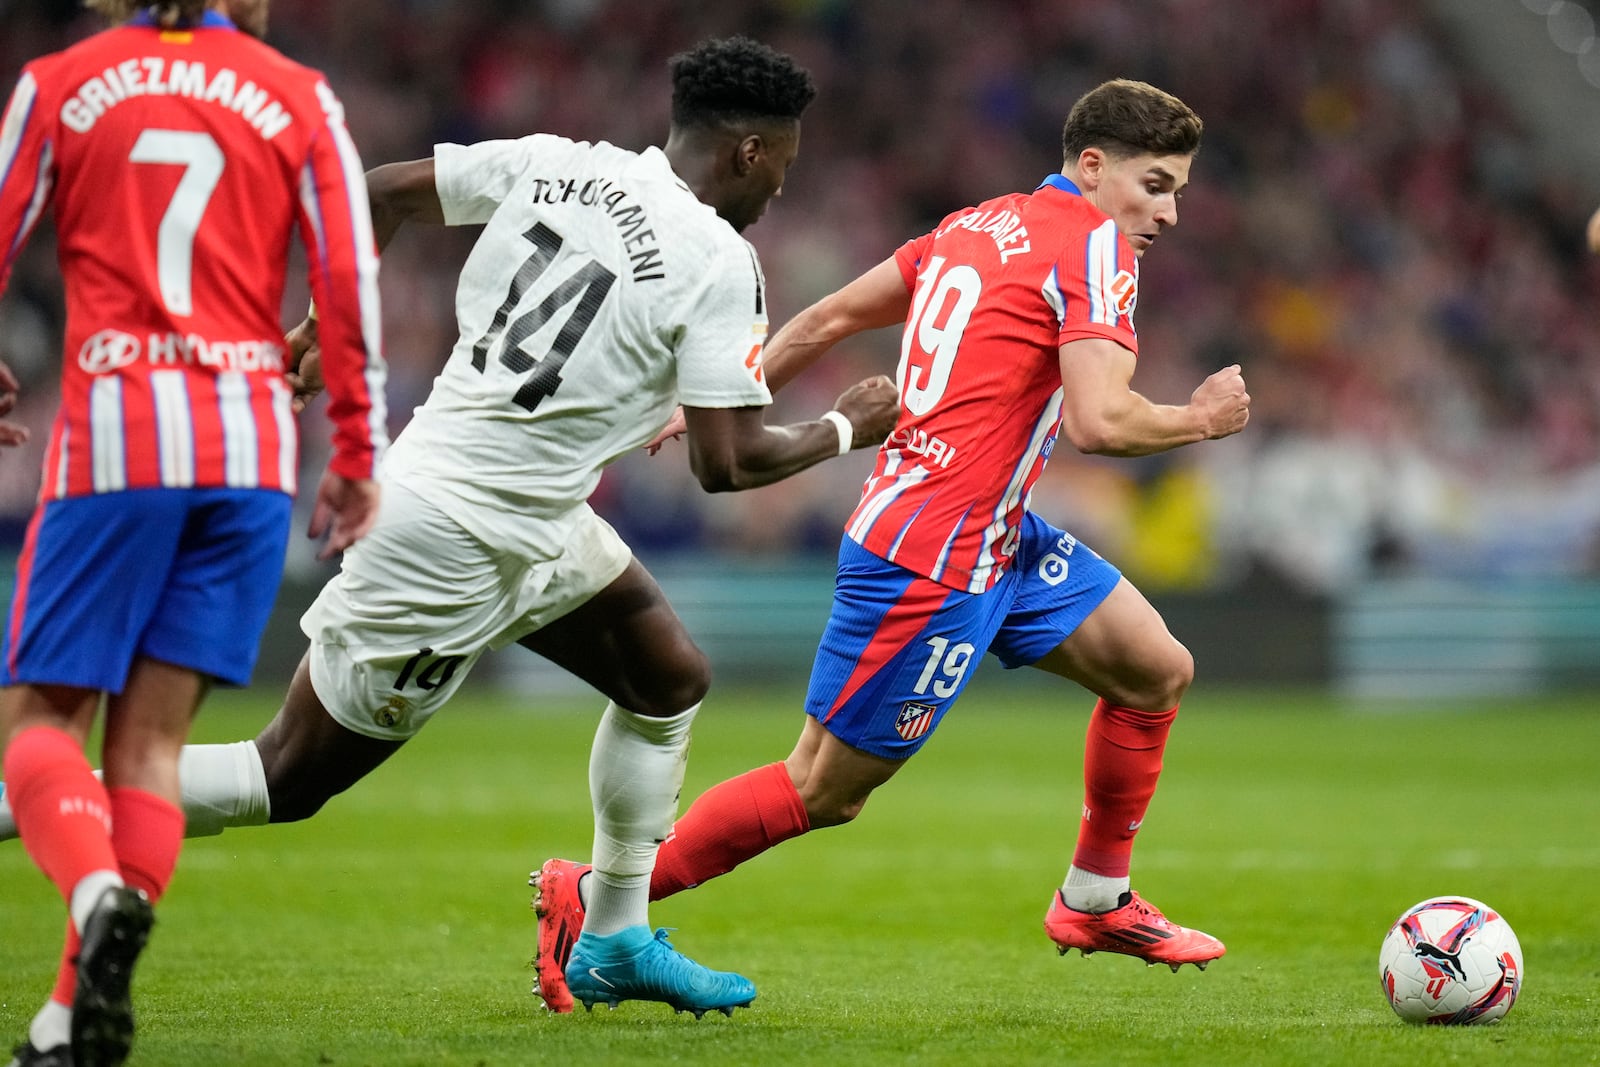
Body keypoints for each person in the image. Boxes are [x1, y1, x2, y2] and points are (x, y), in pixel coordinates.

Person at [0, 33, 900, 1020]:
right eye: (784, 164)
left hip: (528, 510)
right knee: (287, 772)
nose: (778, 190)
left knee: (665, 675)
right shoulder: (723, 262)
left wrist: (317, 327)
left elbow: (378, 190)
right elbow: (728, 465)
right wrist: (845, 424)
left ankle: (612, 934)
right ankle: (28, 802)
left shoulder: (562, 162)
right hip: (453, 537)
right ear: (748, 153)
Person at [522, 76, 1252, 1011]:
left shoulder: (977, 224)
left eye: (1180, 190)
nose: (1170, 212)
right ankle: (593, 895)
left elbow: (825, 319)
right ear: (1094, 166)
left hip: (994, 533)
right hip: (932, 555)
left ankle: (1096, 896)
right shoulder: (1096, 249)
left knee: (1157, 670)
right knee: (823, 788)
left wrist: (710, 400)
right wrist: (1197, 419)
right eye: (1156, 184)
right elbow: (1101, 423)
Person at [0, 0, 389, 1063]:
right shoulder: (300, 95)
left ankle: (89, 892)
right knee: (153, 744)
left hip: (117, 441)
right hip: (252, 453)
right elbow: (348, 277)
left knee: (38, 715)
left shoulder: (61, 83)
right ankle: (64, 1016)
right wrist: (356, 449)